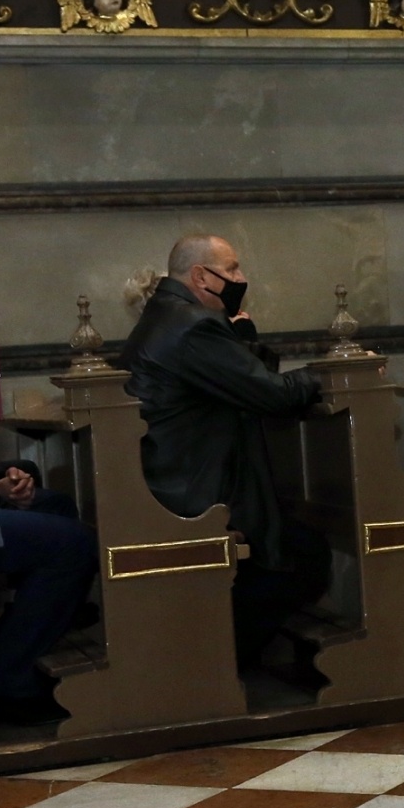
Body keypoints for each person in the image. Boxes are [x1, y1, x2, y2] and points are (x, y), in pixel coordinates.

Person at [119, 234, 327, 669]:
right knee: (300, 557)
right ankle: (215, 667)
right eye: (231, 269)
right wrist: (336, 371)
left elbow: (237, 383)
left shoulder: (164, 316)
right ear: (200, 276)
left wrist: (243, 342)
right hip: (196, 493)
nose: (240, 277)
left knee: (296, 546)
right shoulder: (194, 326)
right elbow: (273, 394)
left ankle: (223, 662)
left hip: (173, 478)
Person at [0, 461, 98, 726]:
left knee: (58, 504)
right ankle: (6, 688)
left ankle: (13, 643)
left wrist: (1, 487)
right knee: (77, 543)